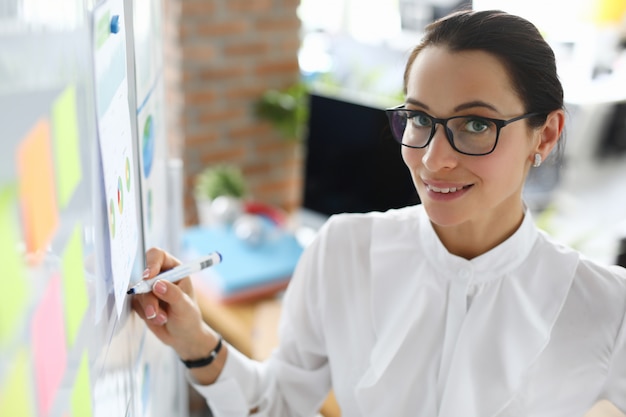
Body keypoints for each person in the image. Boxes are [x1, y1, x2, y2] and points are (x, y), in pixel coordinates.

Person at [132, 9, 626, 417]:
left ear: (546, 134)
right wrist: (196, 339)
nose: (434, 158)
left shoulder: (607, 306)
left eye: (475, 124)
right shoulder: (345, 250)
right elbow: (279, 403)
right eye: (419, 119)